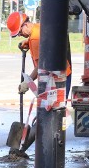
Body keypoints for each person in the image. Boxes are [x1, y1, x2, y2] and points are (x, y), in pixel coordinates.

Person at [6, 12, 72, 158]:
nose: (20, 35)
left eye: (20, 33)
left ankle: (25, 149)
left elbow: (42, 64)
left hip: (55, 79)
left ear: (26, 25)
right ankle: (40, 146)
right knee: (51, 113)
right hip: (61, 73)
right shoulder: (38, 30)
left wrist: (27, 82)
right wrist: (27, 42)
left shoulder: (35, 38)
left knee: (49, 115)